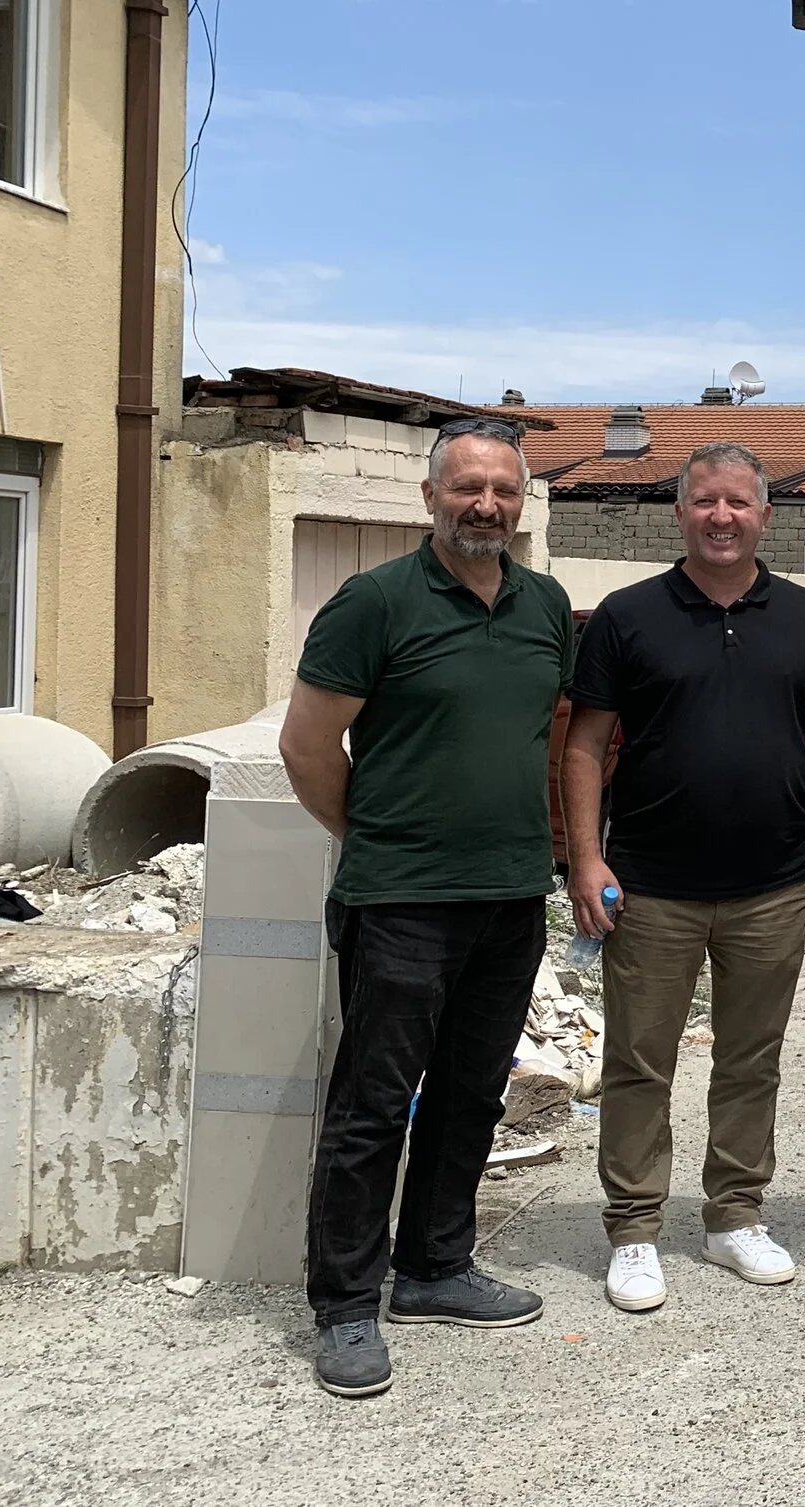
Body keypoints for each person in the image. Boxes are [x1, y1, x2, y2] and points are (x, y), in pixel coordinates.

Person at [282, 417, 576, 1400]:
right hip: (400, 901)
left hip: (507, 898)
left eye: (502, 489)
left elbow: (547, 736)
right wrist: (376, 837)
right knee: (372, 1107)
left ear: (521, 501)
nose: (485, 504)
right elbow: (307, 748)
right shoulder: (374, 603)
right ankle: (345, 1308)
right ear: (430, 497)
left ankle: (436, 1268)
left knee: (468, 1096)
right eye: (467, 488)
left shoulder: (544, 603)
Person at [560, 442, 805, 1314]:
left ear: (768, 515)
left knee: (749, 1059)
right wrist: (585, 854)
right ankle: (636, 1228)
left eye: (738, 502)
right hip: (650, 886)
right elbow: (582, 744)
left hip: (772, 884)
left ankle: (734, 1214)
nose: (721, 517)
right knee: (639, 1062)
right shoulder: (627, 615)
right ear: (680, 511)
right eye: (704, 502)